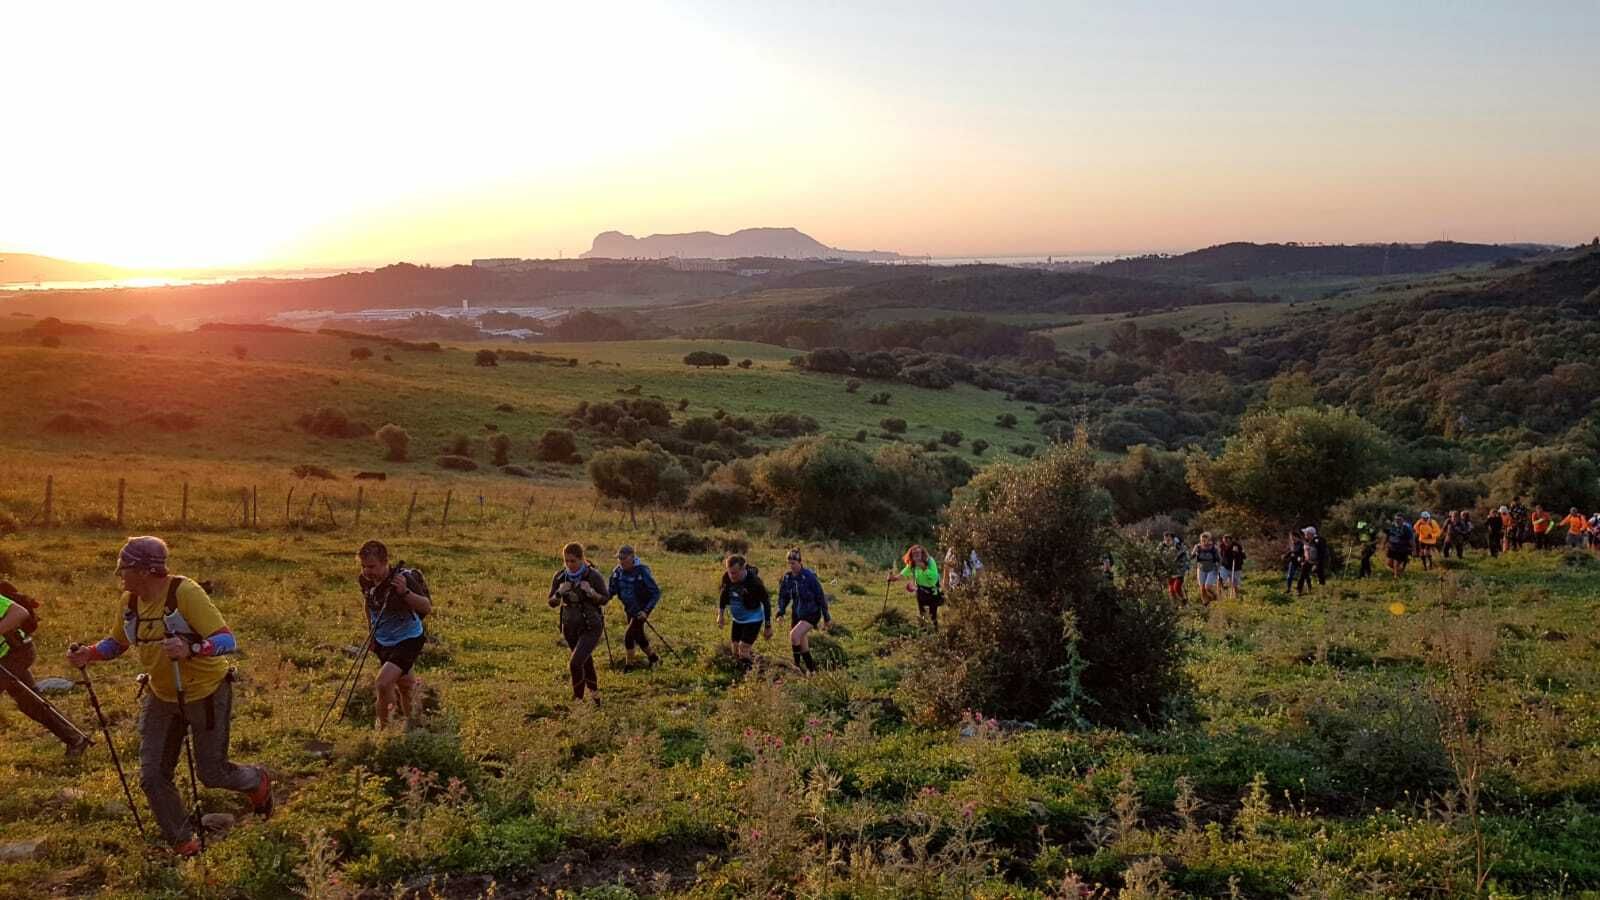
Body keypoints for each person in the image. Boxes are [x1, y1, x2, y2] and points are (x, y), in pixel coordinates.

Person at [65, 537, 272, 856]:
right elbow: (117, 643)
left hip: (205, 692)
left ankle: (256, 781)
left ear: (146, 570)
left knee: (211, 773)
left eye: (125, 567)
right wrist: (89, 654)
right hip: (161, 695)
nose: (120, 573)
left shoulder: (184, 593)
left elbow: (227, 640)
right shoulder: (129, 602)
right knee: (152, 776)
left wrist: (192, 648)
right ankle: (184, 841)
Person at [1, 581, 92, 756]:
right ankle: (76, 739)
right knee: (30, 703)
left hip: (17, 652)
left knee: (30, 700)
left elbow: (20, 612)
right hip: (6, 655)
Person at [357, 541, 431, 731]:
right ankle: (415, 726)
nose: (367, 571)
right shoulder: (365, 580)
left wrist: (404, 592)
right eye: (364, 566)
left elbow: (426, 606)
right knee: (406, 685)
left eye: (372, 566)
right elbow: (368, 603)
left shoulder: (403, 579)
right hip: (383, 639)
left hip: (408, 639)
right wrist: (371, 632)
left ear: (385, 562)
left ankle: (384, 733)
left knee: (383, 684)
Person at [547, 542, 609, 705]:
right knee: (585, 661)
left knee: (575, 663)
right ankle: (596, 698)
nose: (569, 564)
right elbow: (551, 602)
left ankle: (578, 700)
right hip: (569, 627)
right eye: (566, 561)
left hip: (591, 626)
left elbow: (605, 599)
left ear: (582, 559)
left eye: (573, 561)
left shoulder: (593, 576)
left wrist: (591, 592)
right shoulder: (560, 577)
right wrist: (560, 592)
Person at [775, 549, 830, 674]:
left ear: (800, 562)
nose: (791, 566)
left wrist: (826, 617)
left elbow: (820, 596)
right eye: (789, 563)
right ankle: (812, 670)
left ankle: (797, 667)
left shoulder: (809, 577)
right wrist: (781, 612)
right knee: (802, 643)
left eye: (793, 563)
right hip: (797, 613)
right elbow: (783, 596)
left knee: (794, 636)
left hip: (811, 612)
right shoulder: (787, 578)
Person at [609, 544, 661, 668]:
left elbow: (655, 592)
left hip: (641, 609)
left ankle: (629, 666)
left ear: (632, 557)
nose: (621, 561)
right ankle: (654, 658)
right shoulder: (617, 572)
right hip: (629, 609)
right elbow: (611, 590)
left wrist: (646, 611)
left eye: (624, 558)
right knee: (638, 636)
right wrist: (599, 599)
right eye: (619, 558)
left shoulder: (642, 571)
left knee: (629, 636)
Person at [718, 554, 771, 670]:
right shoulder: (727, 577)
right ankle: (757, 664)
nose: (731, 576)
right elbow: (723, 595)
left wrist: (768, 626)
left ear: (743, 569)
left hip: (753, 619)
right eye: (729, 572)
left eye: (735, 573)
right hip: (737, 619)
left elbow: (766, 603)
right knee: (735, 650)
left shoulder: (755, 583)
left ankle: (750, 678)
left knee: (743, 648)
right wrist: (720, 615)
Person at [894, 544, 944, 629]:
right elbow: (905, 571)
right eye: (914, 553)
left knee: (933, 615)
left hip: (933, 591)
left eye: (918, 553)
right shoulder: (913, 563)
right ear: (911, 555)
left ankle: (935, 633)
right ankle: (923, 632)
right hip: (920, 591)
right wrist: (895, 578)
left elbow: (934, 576)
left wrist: (924, 569)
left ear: (922, 553)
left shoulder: (930, 561)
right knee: (922, 613)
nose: (916, 555)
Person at [1191, 532, 1223, 604]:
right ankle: (1206, 604)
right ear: (1200, 540)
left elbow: (1219, 559)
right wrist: (1194, 551)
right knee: (1202, 588)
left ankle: (1215, 596)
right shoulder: (1198, 547)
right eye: (1203, 540)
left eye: (1206, 540)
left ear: (1209, 540)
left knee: (1207, 587)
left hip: (1212, 569)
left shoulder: (1213, 548)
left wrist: (1218, 568)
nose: (1204, 542)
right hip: (1201, 568)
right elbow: (1191, 557)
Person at [1163, 532, 1188, 602]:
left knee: (1176, 587)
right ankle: (1175, 604)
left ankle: (1184, 600)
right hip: (1169, 570)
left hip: (1179, 569)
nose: (1166, 541)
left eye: (1168, 540)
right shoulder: (1163, 546)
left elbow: (1185, 556)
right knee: (1171, 589)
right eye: (1165, 539)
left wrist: (1184, 567)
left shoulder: (1179, 546)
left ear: (1172, 539)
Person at [1220, 535, 1246, 600]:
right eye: (1224, 541)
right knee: (1220, 579)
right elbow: (1221, 555)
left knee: (1235, 584)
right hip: (1225, 567)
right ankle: (1222, 594)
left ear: (1231, 541)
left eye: (1227, 541)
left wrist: (1237, 553)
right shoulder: (1222, 546)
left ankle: (1236, 597)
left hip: (1236, 568)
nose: (1226, 543)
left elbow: (1244, 556)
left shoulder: (1237, 546)